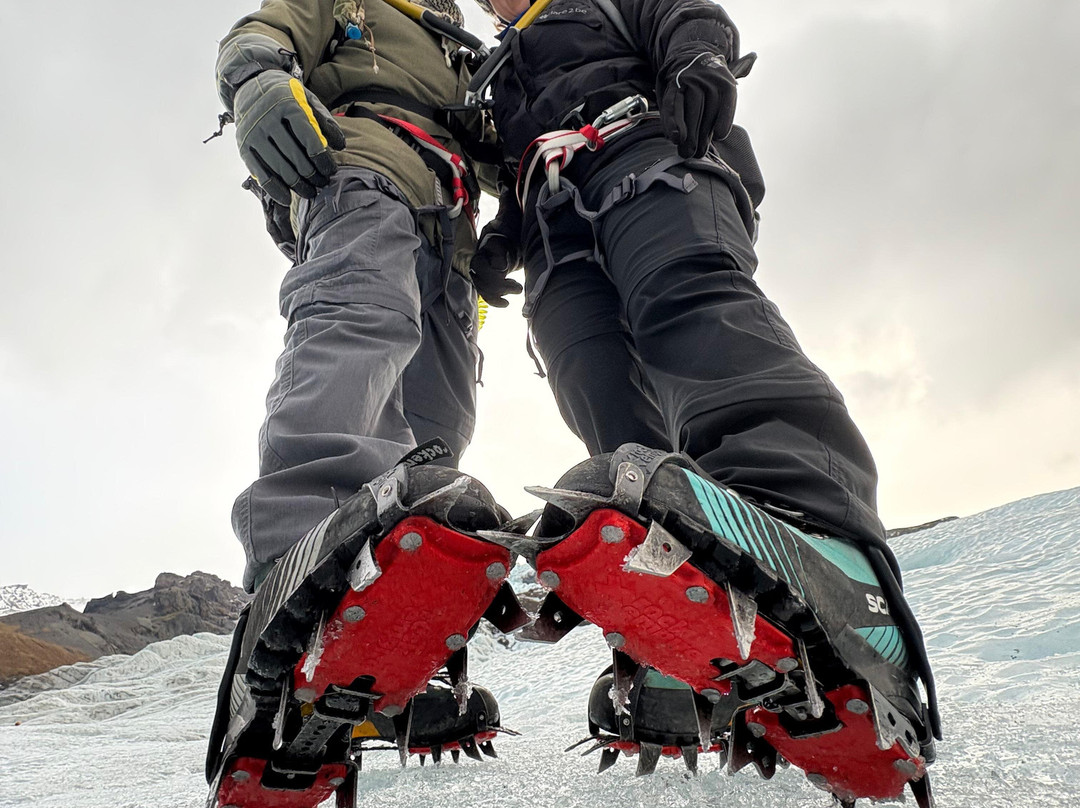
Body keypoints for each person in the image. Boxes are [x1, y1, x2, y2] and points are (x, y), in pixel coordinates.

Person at [468, 0, 942, 803]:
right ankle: (680, 627)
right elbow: (518, 159)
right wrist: (505, 235)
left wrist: (698, 57)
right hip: (554, 224)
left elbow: (690, 14)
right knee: (602, 403)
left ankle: (824, 551)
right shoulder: (499, 74)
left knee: (691, 310)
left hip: (649, 150)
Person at [203, 2, 529, 806]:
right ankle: (304, 567)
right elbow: (261, 33)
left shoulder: (456, 49)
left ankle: (393, 637)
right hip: (357, 167)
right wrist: (256, 80)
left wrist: (504, 227)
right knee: (355, 327)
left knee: (437, 428)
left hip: (448, 225)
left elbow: (496, 146)